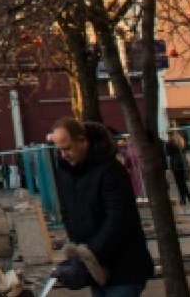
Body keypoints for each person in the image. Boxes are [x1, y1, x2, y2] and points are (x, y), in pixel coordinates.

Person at [49, 119, 155, 297]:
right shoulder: (68, 173)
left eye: (67, 149)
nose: (64, 155)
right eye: (60, 150)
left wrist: (92, 252)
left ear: (83, 141)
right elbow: (67, 211)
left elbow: (118, 219)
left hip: (123, 266)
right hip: (95, 266)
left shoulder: (111, 171)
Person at [164, 131, 190, 206]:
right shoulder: (181, 141)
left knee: (178, 181)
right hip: (182, 162)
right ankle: (187, 194)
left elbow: (168, 153)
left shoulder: (170, 143)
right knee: (182, 180)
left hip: (175, 163)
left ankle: (183, 197)